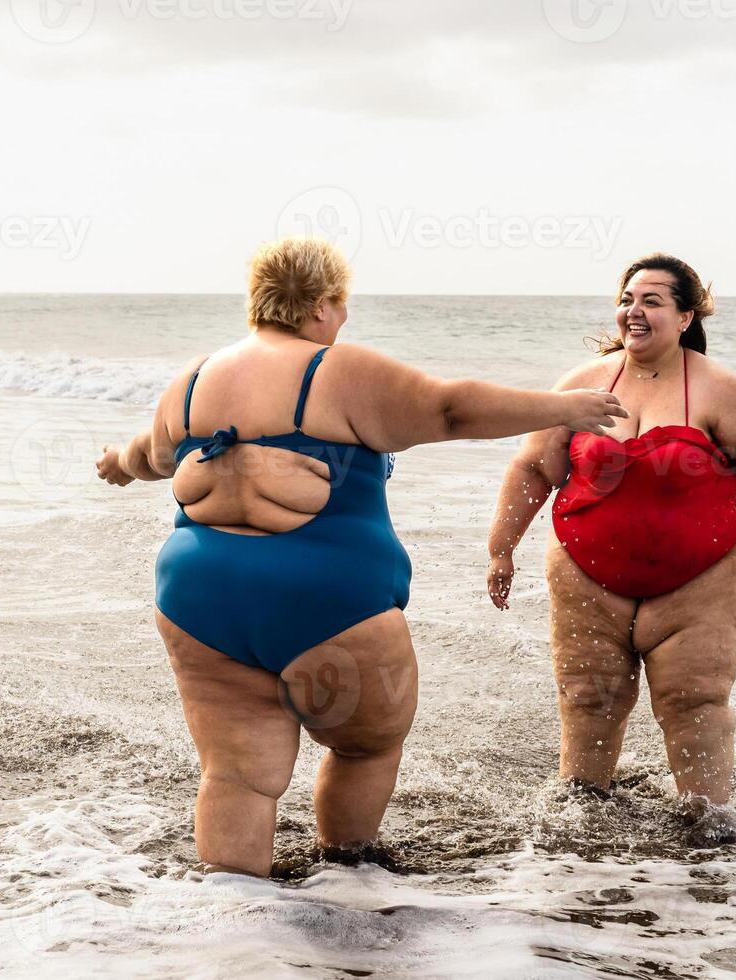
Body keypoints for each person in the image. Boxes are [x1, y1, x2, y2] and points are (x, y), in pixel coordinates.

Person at [96, 237, 627, 876]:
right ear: (323, 303)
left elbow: (147, 458)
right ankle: (347, 877)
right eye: (341, 308)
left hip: (198, 601)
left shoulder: (192, 380)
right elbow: (450, 409)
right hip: (326, 603)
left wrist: (115, 466)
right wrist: (564, 407)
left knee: (236, 772)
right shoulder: (335, 370)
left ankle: (233, 926)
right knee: (366, 747)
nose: (341, 321)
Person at [486, 253, 736, 828]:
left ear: (685, 317)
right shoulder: (581, 387)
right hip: (587, 575)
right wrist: (500, 548)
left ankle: (709, 834)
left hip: (700, 579)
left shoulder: (721, 390)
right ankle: (580, 836)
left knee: (695, 702)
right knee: (588, 699)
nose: (634, 311)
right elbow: (534, 466)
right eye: (628, 299)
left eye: (652, 301)